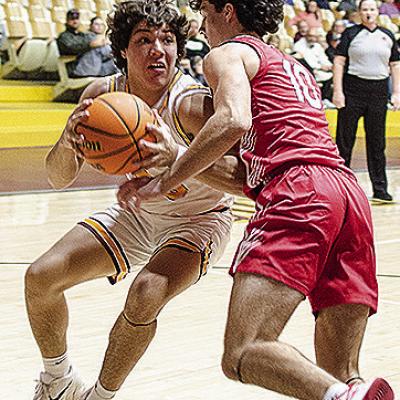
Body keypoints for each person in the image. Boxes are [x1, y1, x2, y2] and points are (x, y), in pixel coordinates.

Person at [121, 1, 396, 400]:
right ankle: (353, 392)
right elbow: (251, 176)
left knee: (244, 351)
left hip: (299, 194)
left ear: (227, 10)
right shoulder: (290, 66)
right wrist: (179, 157)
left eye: (203, 9)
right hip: (346, 194)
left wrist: (163, 182)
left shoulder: (228, 54)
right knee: (338, 375)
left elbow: (233, 119)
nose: (199, 24)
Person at [25, 1, 245, 399]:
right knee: (40, 277)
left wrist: (177, 157)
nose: (157, 49)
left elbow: (246, 180)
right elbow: (58, 178)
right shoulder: (102, 96)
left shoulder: (193, 105)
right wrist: (69, 140)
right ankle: (57, 378)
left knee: (146, 293)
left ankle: (101, 396)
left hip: (199, 219)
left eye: (168, 39)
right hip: (138, 215)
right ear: (123, 50)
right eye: (143, 39)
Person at [332, 0, 400, 203]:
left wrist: (396, 93)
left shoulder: (387, 35)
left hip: (378, 92)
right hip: (353, 90)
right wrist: (338, 91)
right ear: (359, 12)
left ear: (377, 12)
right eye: (364, 9)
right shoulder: (350, 34)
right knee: (345, 141)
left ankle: (380, 188)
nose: (368, 13)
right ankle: (340, 186)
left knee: (377, 143)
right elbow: (339, 62)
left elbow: (395, 65)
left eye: (371, 9)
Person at [57, 9, 117, 78]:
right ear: (67, 21)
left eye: (76, 19)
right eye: (72, 19)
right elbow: (72, 48)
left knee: (117, 61)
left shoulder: (82, 35)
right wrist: (91, 44)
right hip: (75, 68)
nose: (75, 21)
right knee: (97, 48)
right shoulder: (64, 36)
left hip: (94, 66)